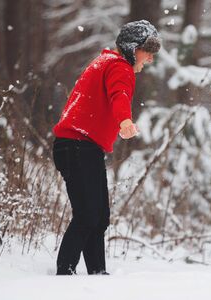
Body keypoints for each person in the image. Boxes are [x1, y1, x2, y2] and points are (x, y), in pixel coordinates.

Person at [52, 20, 161, 275]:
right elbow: (119, 94)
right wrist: (124, 120)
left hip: (78, 147)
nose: (151, 59)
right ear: (133, 48)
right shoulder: (119, 67)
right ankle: (64, 272)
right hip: (78, 146)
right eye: (148, 52)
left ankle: (98, 274)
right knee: (89, 215)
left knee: (98, 217)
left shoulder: (104, 62)